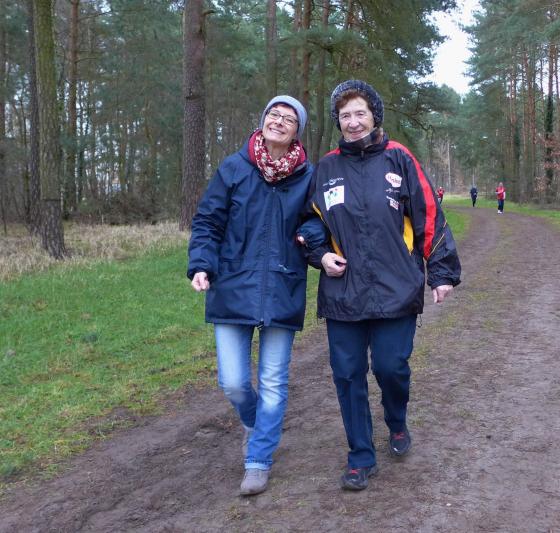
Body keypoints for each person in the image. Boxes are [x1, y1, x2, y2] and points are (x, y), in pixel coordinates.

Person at [304, 80, 461, 491]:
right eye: (345, 116)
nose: (353, 122)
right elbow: (309, 221)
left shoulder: (399, 158)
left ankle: (396, 419)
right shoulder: (326, 168)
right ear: (338, 122)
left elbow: (429, 215)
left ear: (374, 115)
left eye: (360, 113)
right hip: (343, 292)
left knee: (390, 367)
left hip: (396, 288)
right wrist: (320, 254)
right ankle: (360, 455)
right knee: (347, 374)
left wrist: (441, 273)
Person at [187, 95, 323, 497]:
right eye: (272, 115)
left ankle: (259, 460)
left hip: (283, 285)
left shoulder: (308, 176)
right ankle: (254, 423)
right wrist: (201, 264)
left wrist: (309, 236)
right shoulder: (234, 167)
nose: (278, 121)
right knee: (232, 382)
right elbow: (208, 221)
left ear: (297, 132)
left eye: (288, 119)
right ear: (263, 121)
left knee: (274, 382)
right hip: (232, 283)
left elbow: (318, 221)